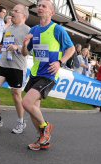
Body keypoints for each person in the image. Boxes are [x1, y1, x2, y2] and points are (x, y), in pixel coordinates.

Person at [21, 0, 75, 151]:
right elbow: (25, 53)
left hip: (49, 74)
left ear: (52, 12)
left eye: (44, 6)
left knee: (26, 103)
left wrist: (60, 62)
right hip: (35, 73)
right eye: (38, 5)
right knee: (33, 108)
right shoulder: (33, 30)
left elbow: (71, 49)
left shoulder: (57, 29)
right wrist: (25, 45)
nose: (40, 8)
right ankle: (43, 140)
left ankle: (46, 127)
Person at [0, 4, 30, 134]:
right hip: (3, 63)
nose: (12, 12)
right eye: (12, 10)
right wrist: (1, 47)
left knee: (16, 95)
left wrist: (17, 47)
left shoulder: (28, 30)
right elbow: (6, 44)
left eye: (16, 10)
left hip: (17, 67)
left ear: (23, 15)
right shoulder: (8, 28)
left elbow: (27, 52)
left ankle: (21, 121)